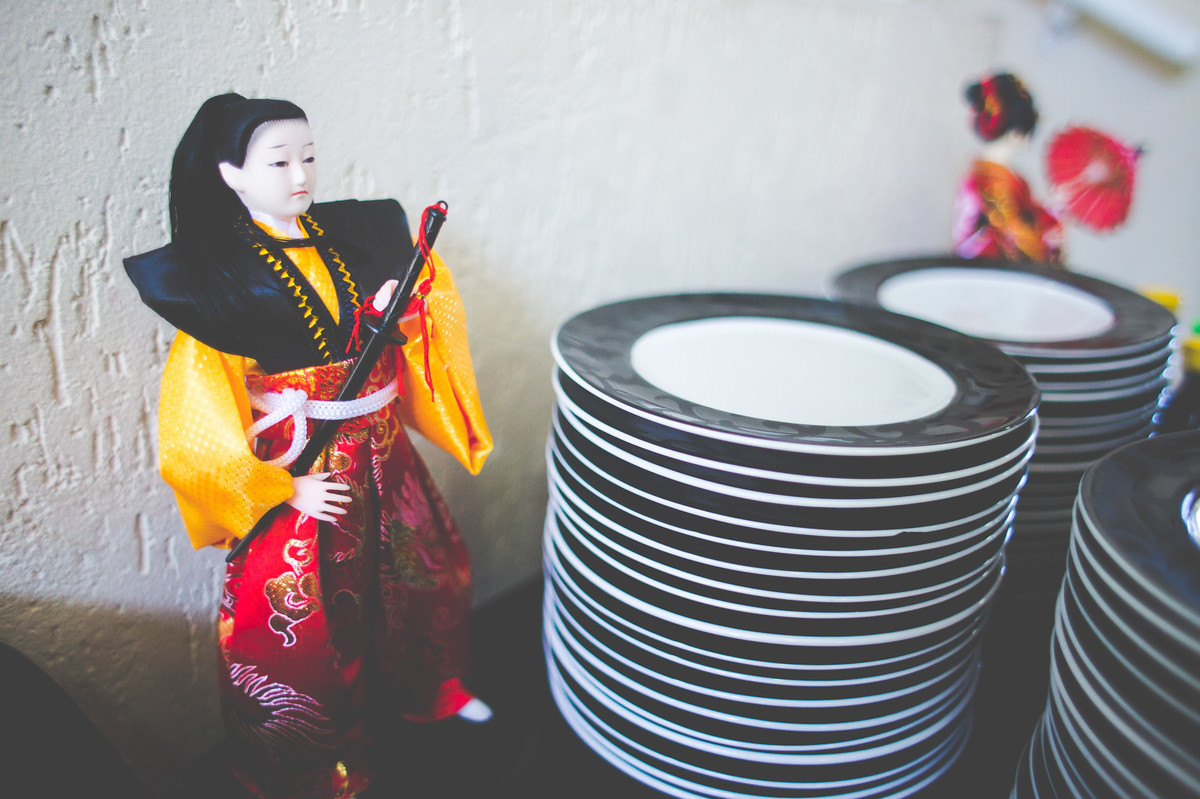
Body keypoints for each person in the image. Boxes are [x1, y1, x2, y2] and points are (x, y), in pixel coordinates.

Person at [124, 93, 493, 799]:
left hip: (384, 452)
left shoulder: (353, 237)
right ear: (231, 173)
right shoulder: (217, 281)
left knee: (425, 575)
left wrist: (403, 309)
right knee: (306, 624)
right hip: (304, 472)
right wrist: (279, 488)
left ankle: (432, 688)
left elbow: (414, 317)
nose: (300, 174)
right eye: (279, 160)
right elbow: (196, 416)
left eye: (309, 156)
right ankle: (318, 766)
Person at [952, 72, 1064, 266]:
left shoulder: (983, 175)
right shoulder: (989, 181)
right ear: (1017, 134)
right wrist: (1052, 214)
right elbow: (1015, 238)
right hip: (987, 269)